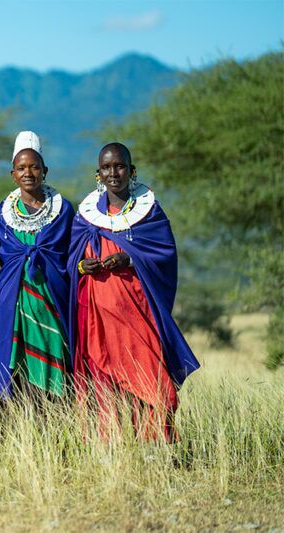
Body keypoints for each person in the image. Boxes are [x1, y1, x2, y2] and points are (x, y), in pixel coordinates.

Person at [69, 143, 200, 442]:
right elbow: (71, 258)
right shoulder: (86, 215)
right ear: (98, 173)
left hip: (138, 314)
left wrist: (129, 259)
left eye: (120, 166)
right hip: (99, 318)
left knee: (152, 379)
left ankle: (155, 445)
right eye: (106, 167)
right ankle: (112, 446)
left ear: (132, 170)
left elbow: (164, 254)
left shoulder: (149, 212)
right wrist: (81, 266)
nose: (113, 173)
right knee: (106, 382)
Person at [0, 132, 74, 398]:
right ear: (13, 174)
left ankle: (60, 430)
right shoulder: (1, 215)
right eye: (21, 168)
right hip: (15, 304)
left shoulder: (62, 211)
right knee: (19, 372)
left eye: (34, 166)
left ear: (45, 171)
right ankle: (24, 430)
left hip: (53, 302)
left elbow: (69, 258)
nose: (28, 172)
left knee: (57, 364)